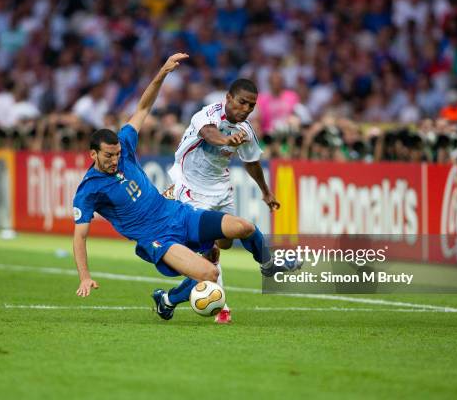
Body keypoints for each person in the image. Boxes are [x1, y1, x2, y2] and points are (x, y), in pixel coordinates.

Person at [72, 54, 295, 321]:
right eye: (108, 156)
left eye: (117, 153)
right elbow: (80, 236)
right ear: (92, 155)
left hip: (177, 213)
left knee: (244, 228)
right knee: (210, 271)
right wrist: (85, 276)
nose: (115, 159)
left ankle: (267, 266)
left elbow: (143, 108)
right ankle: (203, 306)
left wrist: (162, 72)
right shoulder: (89, 190)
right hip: (157, 238)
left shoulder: (125, 146)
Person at [165, 78, 279, 324]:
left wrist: (265, 191)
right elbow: (209, 134)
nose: (246, 109)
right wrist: (227, 140)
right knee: (211, 253)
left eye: (251, 105)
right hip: (191, 189)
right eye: (242, 102)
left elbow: (251, 161)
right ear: (228, 98)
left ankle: (167, 300)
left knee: (227, 242)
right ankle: (223, 307)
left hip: (220, 189)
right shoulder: (207, 114)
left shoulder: (246, 130)